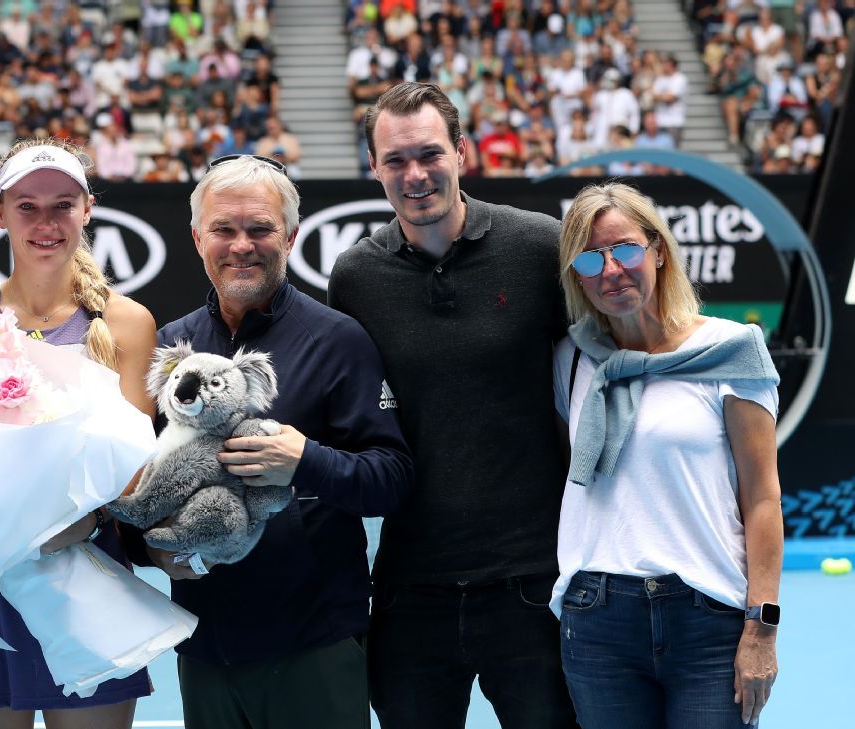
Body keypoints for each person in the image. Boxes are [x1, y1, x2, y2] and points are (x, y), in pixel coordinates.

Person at [327, 82, 577, 729]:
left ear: (463, 151)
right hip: (411, 589)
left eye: (430, 154)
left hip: (533, 582)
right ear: (375, 168)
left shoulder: (540, 248)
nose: (415, 175)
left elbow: (588, 390)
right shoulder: (355, 277)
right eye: (395, 160)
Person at [141, 155, 413, 728]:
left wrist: (305, 460)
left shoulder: (338, 340)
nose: (242, 245)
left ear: (290, 236)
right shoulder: (171, 347)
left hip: (313, 644)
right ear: (197, 238)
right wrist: (154, 552)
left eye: (260, 228)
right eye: (224, 229)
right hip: (205, 646)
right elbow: (139, 481)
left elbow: (391, 479)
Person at [0, 138, 158, 729]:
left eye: (62, 205)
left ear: (88, 209)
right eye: (28, 206)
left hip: (86, 579)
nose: (46, 223)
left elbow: (135, 469)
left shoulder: (129, 323)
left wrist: (87, 520)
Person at [552, 183, 782, 728]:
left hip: (708, 618)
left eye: (626, 249)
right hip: (596, 619)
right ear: (577, 275)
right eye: (591, 258)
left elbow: (764, 498)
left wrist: (762, 629)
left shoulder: (731, 350)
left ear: (658, 249)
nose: (612, 270)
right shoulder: (571, 359)